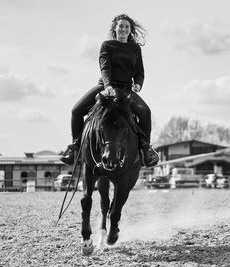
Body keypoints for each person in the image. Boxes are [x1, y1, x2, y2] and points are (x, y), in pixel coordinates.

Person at [61, 14, 159, 167]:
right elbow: (105, 67)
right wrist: (107, 86)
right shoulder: (107, 45)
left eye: (127, 27)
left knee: (146, 112)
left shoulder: (135, 48)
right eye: (121, 26)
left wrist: (138, 84)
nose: (123, 29)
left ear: (130, 30)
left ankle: (146, 149)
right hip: (106, 87)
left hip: (126, 89)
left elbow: (140, 72)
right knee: (76, 110)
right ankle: (75, 147)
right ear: (115, 28)